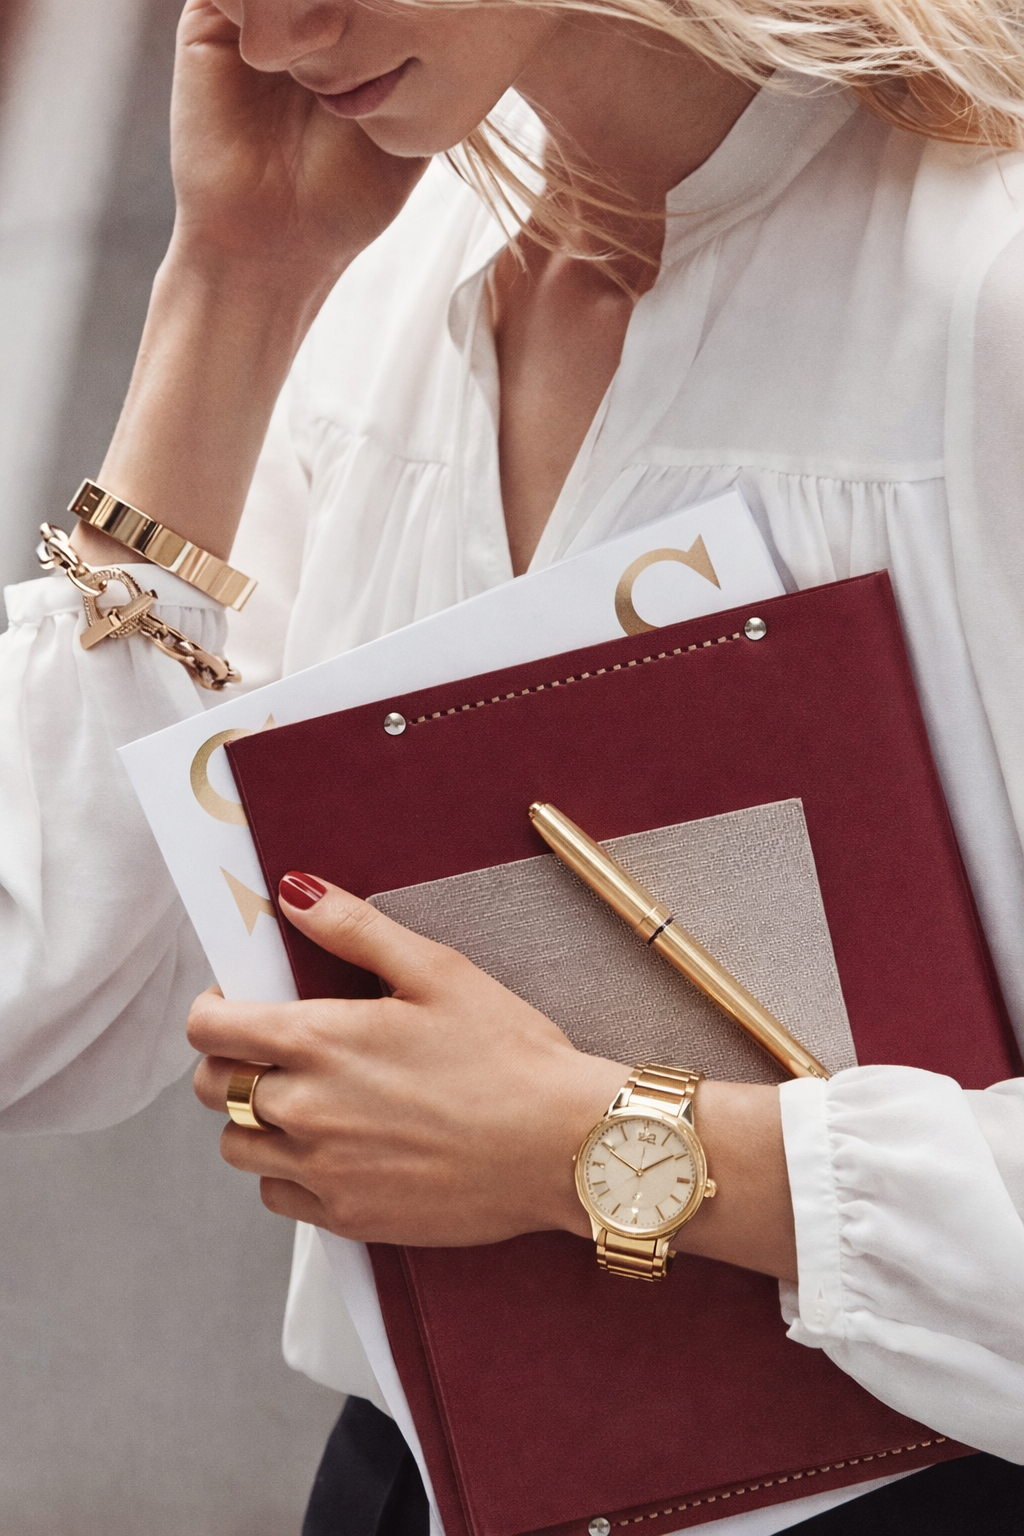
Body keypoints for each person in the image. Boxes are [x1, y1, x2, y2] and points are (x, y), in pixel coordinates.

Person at [2, 0, 1024, 1531]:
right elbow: (42, 998)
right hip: (407, 1486)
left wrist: (595, 1146)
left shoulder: (983, 287)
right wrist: (231, 288)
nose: (274, 29)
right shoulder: (378, 277)